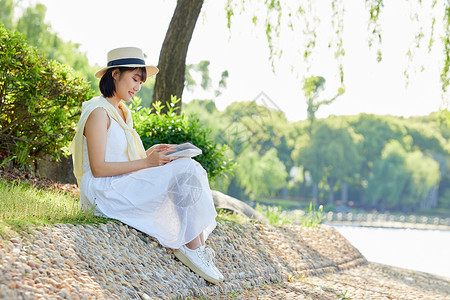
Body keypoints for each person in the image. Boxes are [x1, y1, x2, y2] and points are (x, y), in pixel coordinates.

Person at [69, 47, 224, 284]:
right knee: (185, 170)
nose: (138, 87)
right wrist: (147, 162)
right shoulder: (98, 112)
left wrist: (151, 154)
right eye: (134, 79)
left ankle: (196, 246)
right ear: (115, 74)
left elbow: (121, 157)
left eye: (140, 81)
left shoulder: (121, 111)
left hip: (120, 182)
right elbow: (98, 168)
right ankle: (192, 247)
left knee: (186, 165)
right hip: (104, 190)